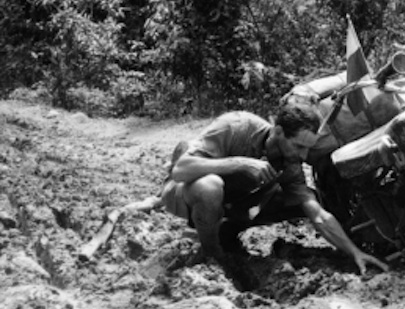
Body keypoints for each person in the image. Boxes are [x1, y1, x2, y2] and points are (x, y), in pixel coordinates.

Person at [160, 103, 388, 276]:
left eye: (307, 149)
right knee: (209, 187)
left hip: (231, 204)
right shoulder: (237, 125)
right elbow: (180, 170)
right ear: (278, 132)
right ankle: (212, 256)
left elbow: (317, 214)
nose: (302, 156)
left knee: (305, 199)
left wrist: (354, 252)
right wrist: (241, 163)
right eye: (298, 146)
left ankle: (225, 231)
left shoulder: (291, 164)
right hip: (183, 194)